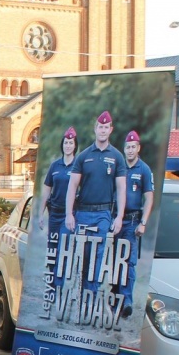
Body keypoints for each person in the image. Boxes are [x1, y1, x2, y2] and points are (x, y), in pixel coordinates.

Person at [64, 110, 127, 296]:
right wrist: (69, 214)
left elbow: (121, 189)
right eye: (100, 127)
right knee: (82, 254)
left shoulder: (117, 157)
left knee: (98, 252)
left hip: (103, 213)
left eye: (106, 127)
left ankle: (90, 292)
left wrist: (120, 217)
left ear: (111, 130)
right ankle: (82, 288)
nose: (103, 130)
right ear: (95, 128)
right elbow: (72, 186)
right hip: (83, 212)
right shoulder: (83, 156)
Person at [37, 127, 78, 306]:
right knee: (53, 252)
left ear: (75, 145)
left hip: (70, 216)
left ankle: (60, 287)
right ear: (63, 145)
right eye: (66, 143)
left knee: (64, 250)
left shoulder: (79, 165)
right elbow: (46, 191)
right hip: (54, 214)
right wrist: (40, 214)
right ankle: (53, 287)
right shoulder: (55, 166)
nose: (68, 146)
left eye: (71, 143)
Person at [117, 130, 155, 318]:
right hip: (115, 219)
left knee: (129, 262)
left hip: (132, 221)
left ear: (138, 148)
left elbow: (149, 198)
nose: (130, 150)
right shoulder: (119, 166)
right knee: (112, 260)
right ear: (124, 149)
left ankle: (127, 302)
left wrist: (143, 223)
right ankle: (114, 297)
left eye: (133, 147)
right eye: (127, 147)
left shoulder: (144, 170)